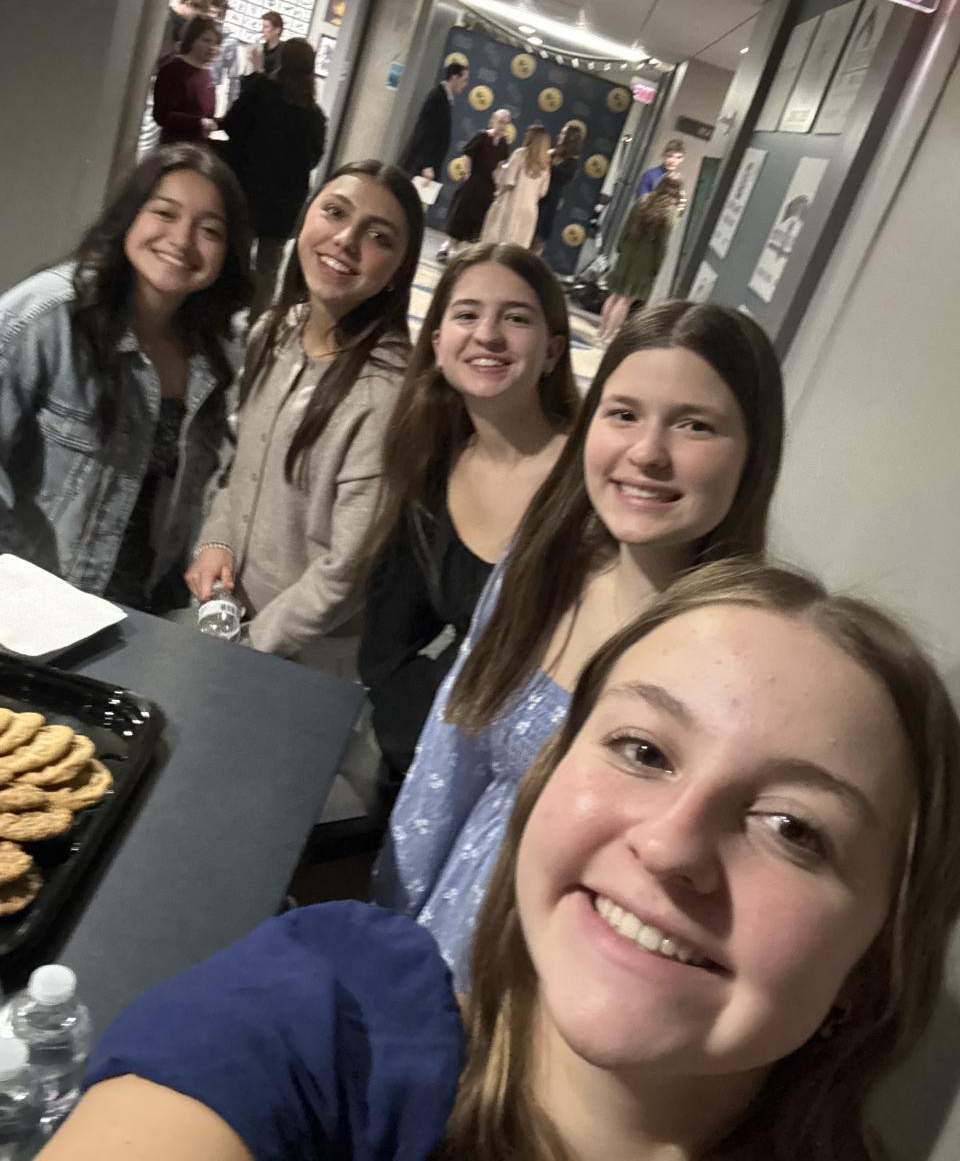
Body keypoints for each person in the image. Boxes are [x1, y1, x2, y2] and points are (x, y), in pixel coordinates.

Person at [39, 560, 960, 1161]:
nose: (671, 845)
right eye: (642, 750)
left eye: (793, 827)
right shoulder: (329, 1019)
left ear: (876, 955)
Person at [375, 298, 785, 984]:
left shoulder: (740, 666)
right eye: (623, 414)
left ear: (753, 455)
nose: (646, 453)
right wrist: (389, 934)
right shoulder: (542, 567)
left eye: (695, 425)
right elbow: (449, 763)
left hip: (574, 979)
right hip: (442, 939)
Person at [184, 160, 423, 673]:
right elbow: (236, 465)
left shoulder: (386, 391)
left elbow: (347, 570)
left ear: (400, 268)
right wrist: (217, 540)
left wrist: (249, 646)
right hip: (226, 622)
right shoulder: (274, 331)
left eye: (378, 236)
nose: (346, 240)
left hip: (300, 664)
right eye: (334, 212)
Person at [360, 242, 579, 797]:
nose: (488, 335)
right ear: (438, 346)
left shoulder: (591, 480)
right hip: (445, 768)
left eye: (516, 318)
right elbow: (387, 647)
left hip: (553, 782)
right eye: (467, 314)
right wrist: (419, 743)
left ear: (552, 352)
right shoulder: (432, 469)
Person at [0, 145, 252, 612]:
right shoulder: (52, 314)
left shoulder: (217, 355)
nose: (182, 239)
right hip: (30, 608)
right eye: (165, 213)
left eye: (210, 230)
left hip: (136, 616)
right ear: (131, 215)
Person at [220, 38, 328, 320]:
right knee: (269, 266)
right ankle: (257, 322)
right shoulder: (314, 115)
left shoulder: (261, 91)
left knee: (236, 254)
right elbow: (314, 158)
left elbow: (232, 125)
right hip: (284, 202)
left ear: (281, 61)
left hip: (246, 188)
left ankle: (222, 314)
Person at [598, 173, 685, 345]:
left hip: (628, 252)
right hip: (645, 259)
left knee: (615, 295)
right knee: (626, 300)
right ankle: (609, 335)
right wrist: (658, 266)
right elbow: (663, 244)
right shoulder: (670, 213)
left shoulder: (643, 201)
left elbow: (626, 226)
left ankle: (601, 330)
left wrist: (620, 247)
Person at [437, 108, 512, 263]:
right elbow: (468, 155)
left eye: (505, 123)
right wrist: (467, 173)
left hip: (487, 186)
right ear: (493, 120)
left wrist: (498, 184)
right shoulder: (482, 136)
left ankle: (456, 248)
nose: (502, 125)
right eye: (500, 121)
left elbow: (500, 166)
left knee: (476, 217)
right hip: (473, 181)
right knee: (461, 213)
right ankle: (449, 245)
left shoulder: (504, 144)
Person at [480, 124, 551, 249]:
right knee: (515, 250)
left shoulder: (520, 154)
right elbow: (542, 192)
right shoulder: (545, 165)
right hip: (529, 211)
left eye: (528, 133)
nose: (525, 135)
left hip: (510, 206)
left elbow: (509, 181)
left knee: (495, 246)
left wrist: (499, 178)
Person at [153, 15, 221, 145]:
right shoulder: (174, 70)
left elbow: (206, 114)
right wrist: (198, 122)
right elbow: (162, 115)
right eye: (206, 41)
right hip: (175, 146)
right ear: (192, 40)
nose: (213, 47)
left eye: (217, 43)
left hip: (197, 146)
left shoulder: (206, 74)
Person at [399, 61, 470, 182]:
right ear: (454, 77)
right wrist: (427, 165)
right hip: (421, 166)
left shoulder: (445, 98)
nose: (465, 85)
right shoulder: (437, 96)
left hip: (429, 166)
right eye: (464, 80)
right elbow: (426, 131)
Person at [533, 120, 584, 256]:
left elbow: (559, 177)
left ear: (570, 138)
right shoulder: (551, 153)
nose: (559, 136)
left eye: (563, 134)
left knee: (538, 237)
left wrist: (546, 164)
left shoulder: (571, 163)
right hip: (535, 197)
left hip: (548, 202)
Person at [156, 0, 207, 69]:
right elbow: (162, 55)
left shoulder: (179, 24)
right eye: (196, 15)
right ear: (188, 3)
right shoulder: (167, 20)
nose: (195, 20)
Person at [205, 0, 242, 114]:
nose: (214, 18)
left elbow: (234, 77)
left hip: (208, 90)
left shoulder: (229, 40)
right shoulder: (195, 31)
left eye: (219, 14)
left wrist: (231, 110)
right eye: (211, 12)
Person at [250, 10, 284, 77]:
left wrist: (259, 68)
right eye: (262, 27)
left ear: (277, 30)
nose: (262, 30)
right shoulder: (261, 49)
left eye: (266, 27)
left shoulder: (284, 51)